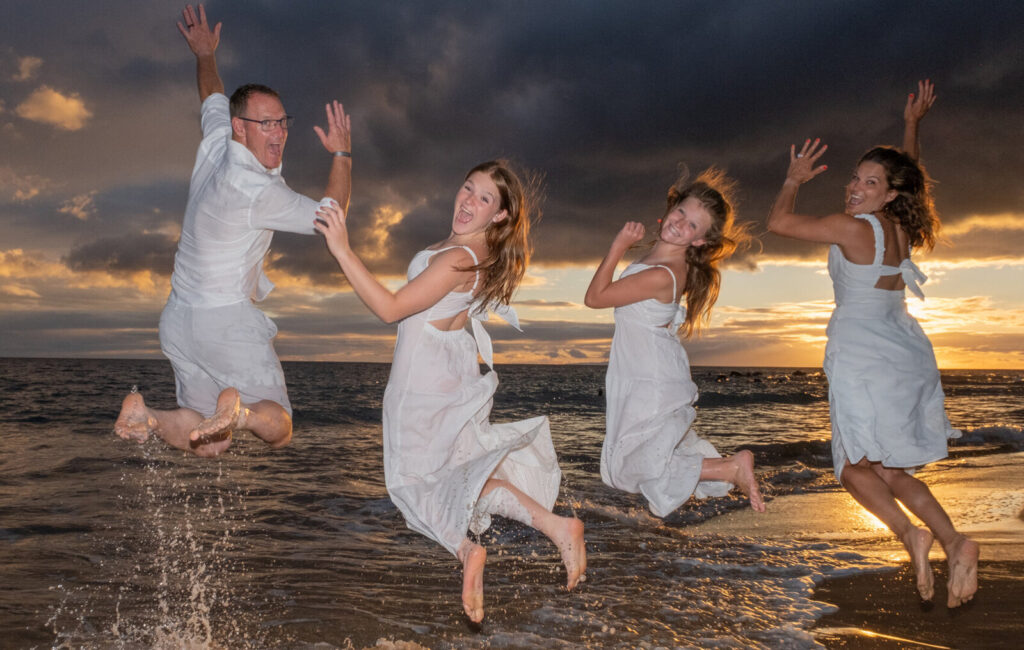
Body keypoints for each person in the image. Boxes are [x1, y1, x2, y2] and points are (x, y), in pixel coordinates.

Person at [315, 160, 586, 623]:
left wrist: (342, 250)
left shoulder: (459, 257)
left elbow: (391, 309)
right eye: (468, 188)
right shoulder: (472, 251)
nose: (469, 201)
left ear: (500, 215)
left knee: (410, 484)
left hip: (422, 379)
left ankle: (466, 551)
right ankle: (558, 526)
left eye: (485, 198)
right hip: (447, 368)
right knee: (460, 477)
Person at [766, 80, 978, 608]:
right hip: (904, 351)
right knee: (889, 469)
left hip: (861, 354)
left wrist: (793, 179)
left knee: (851, 468)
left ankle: (910, 535)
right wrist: (911, 125)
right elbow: (910, 176)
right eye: (855, 178)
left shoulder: (853, 227)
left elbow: (779, 223)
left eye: (869, 181)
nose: (855, 187)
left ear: (889, 193)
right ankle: (955, 542)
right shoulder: (900, 223)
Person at [114, 4, 353, 457]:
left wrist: (205, 53)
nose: (278, 133)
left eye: (282, 122)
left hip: (178, 320)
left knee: (208, 444)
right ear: (241, 128)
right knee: (280, 428)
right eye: (266, 124)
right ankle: (240, 413)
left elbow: (211, 96)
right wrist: (342, 155)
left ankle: (148, 417)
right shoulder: (257, 189)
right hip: (223, 322)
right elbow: (333, 217)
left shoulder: (218, 142)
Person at [584, 169, 765, 518]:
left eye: (692, 225)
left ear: (699, 241)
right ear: (671, 207)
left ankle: (731, 467)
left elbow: (595, 298)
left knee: (632, 464)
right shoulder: (665, 263)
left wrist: (618, 246)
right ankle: (726, 467)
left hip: (650, 377)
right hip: (646, 369)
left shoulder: (661, 273)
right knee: (640, 459)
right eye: (681, 212)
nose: (681, 223)